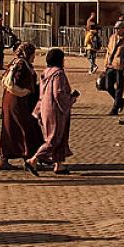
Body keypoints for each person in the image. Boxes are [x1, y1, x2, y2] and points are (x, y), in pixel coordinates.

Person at [28, 48, 79, 176]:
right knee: (54, 138)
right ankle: (33, 160)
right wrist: (71, 99)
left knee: (60, 137)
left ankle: (59, 164)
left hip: (45, 106)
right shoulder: (58, 74)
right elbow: (59, 93)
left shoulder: (46, 72)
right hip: (55, 109)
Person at [0, 43, 43, 171]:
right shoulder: (21, 64)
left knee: (13, 127)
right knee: (23, 127)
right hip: (18, 101)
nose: (34, 57)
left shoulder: (17, 62)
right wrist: (25, 91)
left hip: (14, 100)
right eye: (33, 54)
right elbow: (15, 82)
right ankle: (28, 157)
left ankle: (5, 157)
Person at [104, 28, 124, 115]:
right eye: (115, 28)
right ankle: (120, 101)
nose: (116, 30)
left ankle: (115, 108)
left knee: (119, 87)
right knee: (108, 86)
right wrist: (106, 62)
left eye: (118, 28)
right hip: (110, 65)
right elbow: (108, 51)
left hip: (120, 66)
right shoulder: (112, 37)